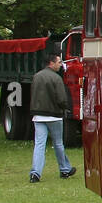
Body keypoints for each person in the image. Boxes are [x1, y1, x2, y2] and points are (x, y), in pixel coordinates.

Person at [29, 51, 75, 182]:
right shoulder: (56, 78)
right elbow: (61, 98)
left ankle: (35, 173)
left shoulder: (36, 76)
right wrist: (65, 108)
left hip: (38, 115)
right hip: (54, 116)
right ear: (52, 63)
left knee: (39, 144)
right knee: (58, 144)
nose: (61, 65)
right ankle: (64, 169)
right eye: (59, 62)